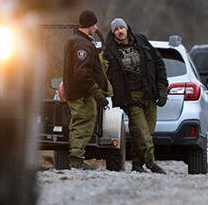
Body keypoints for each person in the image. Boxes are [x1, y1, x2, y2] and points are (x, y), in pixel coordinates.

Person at [103, 17, 168, 174]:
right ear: (113, 33)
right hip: (131, 98)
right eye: (116, 29)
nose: (119, 31)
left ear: (126, 28)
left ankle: (137, 164)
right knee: (143, 133)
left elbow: (158, 62)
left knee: (147, 133)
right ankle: (152, 164)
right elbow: (105, 74)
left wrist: (162, 88)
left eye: (121, 28)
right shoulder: (109, 51)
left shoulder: (141, 41)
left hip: (150, 94)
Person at [63, 10, 109, 170]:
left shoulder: (75, 41)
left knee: (79, 122)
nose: (96, 27)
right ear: (89, 25)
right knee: (84, 121)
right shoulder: (82, 44)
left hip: (76, 92)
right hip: (81, 94)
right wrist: (96, 92)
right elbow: (82, 73)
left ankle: (76, 158)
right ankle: (76, 160)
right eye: (94, 24)